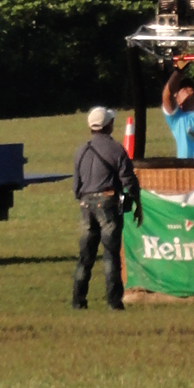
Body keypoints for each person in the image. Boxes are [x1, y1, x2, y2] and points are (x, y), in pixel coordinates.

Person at [71, 106, 141, 313]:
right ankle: (114, 302)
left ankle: (78, 301)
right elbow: (128, 180)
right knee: (110, 254)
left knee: (85, 257)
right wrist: (137, 203)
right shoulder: (116, 149)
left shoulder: (80, 151)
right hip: (108, 203)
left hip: (85, 204)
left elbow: (76, 187)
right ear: (108, 125)